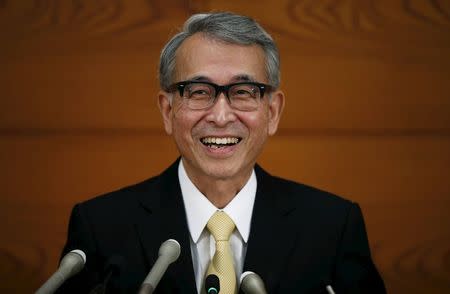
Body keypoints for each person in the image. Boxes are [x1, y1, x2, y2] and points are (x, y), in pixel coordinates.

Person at [56, 12, 385, 293]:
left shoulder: (333, 227)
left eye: (243, 92)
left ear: (273, 112)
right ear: (168, 110)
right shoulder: (101, 228)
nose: (221, 116)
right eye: (199, 92)